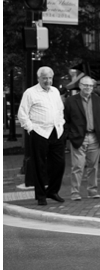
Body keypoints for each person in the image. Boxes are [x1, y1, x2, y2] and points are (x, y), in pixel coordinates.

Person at [17, 67, 66, 206]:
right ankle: (40, 196)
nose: (48, 80)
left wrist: (61, 123)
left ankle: (52, 191)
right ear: (39, 78)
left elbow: (60, 109)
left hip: (56, 132)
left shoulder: (55, 91)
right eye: (45, 78)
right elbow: (22, 114)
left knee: (59, 164)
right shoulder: (30, 93)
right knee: (39, 165)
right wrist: (30, 128)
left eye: (50, 78)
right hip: (39, 132)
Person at [63, 75, 100, 200]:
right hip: (78, 137)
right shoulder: (71, 101)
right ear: (80, 86)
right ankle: (75, 193)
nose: (88, 88)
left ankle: (92, 191)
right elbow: (66, 120)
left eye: (91, 85)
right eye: (86, 85)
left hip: (95, 137)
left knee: (93, 167)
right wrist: (70, 135)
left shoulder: (97, 99)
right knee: (77, 167)